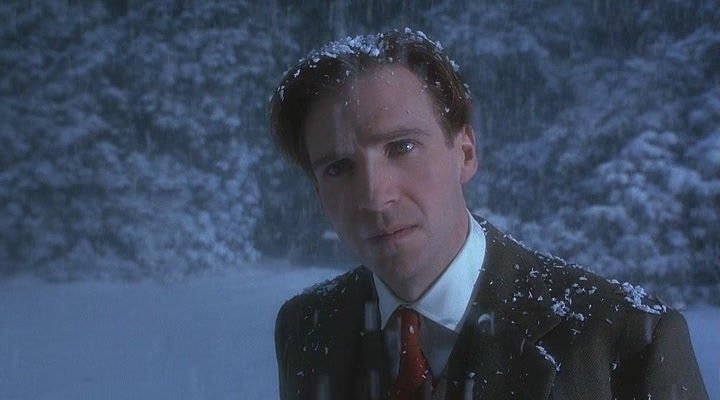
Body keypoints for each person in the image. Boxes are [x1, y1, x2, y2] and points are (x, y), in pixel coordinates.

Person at [269, 28, 709, 400]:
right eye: (338, 167)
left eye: (402, 147)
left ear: (465, 152)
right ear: (318, 193)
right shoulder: (306, 326)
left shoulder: (627, 337)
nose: (375, 197)